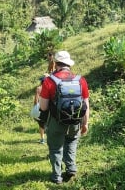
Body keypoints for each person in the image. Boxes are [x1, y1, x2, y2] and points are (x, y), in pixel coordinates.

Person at [39, 50, 90, 184]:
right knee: (71, 142)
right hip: (75, 121)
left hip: (56, 121)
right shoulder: (81, 80)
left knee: (56, 148)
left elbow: (43, 107)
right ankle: (71, 168)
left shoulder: (49, 81)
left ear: (55, 64)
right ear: (69, 65)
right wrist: (85, 123)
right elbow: (85, 104)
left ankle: (57, 176)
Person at [33, 75, 47, 144]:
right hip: (48, 107)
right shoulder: (50, 87)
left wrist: (35, 107)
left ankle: (42, 139)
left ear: (41, 81)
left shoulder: (39, 88)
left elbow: (36, 99)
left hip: (40, 107)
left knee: (41, 124)